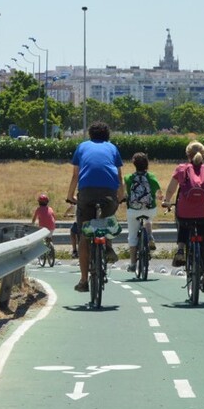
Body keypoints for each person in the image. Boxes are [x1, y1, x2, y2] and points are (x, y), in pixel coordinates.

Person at [65, 121, 125, 292]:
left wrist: (70, 196)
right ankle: (108, 246)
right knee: (107, 219)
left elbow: (75, 174)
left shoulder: (82, 147)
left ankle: (84, 280)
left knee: (85, 234)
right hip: (109, 192)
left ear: (90, 134)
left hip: (87, 192)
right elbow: (119, 176)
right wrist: (121, 196)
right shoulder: (113, 148)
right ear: (107, 135)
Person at [161, 141, 204, 292]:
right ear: (203, 154)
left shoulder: (181, 169)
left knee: (183, 221)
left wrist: (166, 201)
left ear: (187, 155)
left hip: (185, 212)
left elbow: (171, 190)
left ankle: (181, 248)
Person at [123, 152, 163, 273]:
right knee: (148, 220)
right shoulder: (151, 177)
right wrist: (160, 197)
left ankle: (133, 264)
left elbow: (124, 193)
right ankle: (150, 236)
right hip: (150, 209)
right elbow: (158, 193)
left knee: (132, 236)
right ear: (147, 164)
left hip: (133, 211)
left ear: (134, 164)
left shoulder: (128, 178)